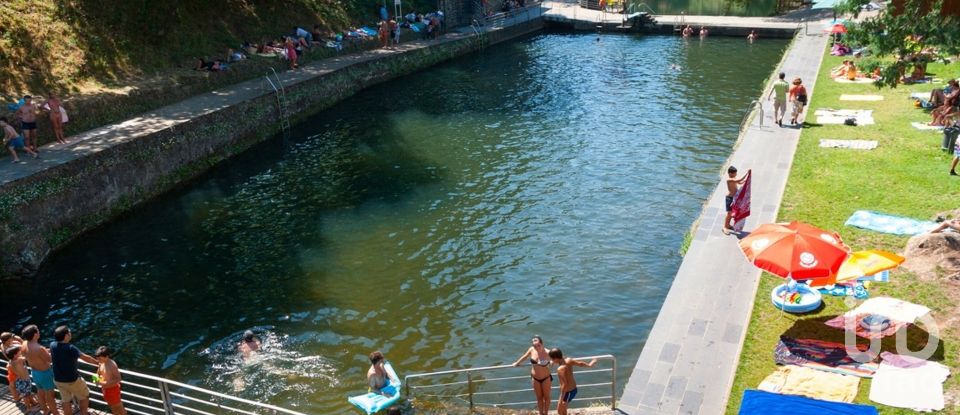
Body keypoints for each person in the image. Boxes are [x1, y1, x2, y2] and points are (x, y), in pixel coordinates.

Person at [50, 326, 98, 415]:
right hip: (72, 380)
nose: (70, 334)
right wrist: (99, 363)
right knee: (84, 396)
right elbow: (86, 358)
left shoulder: (52, 345)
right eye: (69, 332)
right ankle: (84, 413)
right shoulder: (71, 348)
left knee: (66, 400)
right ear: (66, 336)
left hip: (58, 379)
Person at [22, 325, 59, 415]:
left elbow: (37, 355)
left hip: (35, 372)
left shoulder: (24, 344)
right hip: (45, 373)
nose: (39, 332)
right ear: (35, 334)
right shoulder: (39, 348)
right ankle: (55, 413)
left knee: (40, 391)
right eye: (38, 331)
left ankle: (45, 410)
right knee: (50, 396)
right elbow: (50, 360)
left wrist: (47, 351)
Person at [512, 336, 552, 415]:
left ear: (542, 343)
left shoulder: (548, 352)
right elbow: (525, 356)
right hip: (535, 378)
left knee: (546, 398)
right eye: (534, 345)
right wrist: (517, 363)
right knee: (539, 398)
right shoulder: (531, 349)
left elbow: (556, 359)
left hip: (546, 378)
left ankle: (546, 413)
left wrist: (550, 363)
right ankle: (541, 413)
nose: (536, 347)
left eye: (538, 345)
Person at [548, 348, 595, 415]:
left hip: (568, 392)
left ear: (555, 358)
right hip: (573, 389)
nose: (551, 360)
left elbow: (564, 385)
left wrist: (561, 399)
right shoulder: (568, 360)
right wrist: (590, 365)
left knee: (560, 411)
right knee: (563, 409)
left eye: (552, 359)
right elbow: (580, 364)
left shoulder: (560, 369)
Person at [4, 345, 39, 411]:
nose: (20, 352)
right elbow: (27, 356)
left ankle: (33, 402)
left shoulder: (10, 362)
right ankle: (29, 408)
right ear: (15, 355)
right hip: (24, 380)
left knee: (27, 393)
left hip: (19, 380)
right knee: (25, 396)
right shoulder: (19, 360)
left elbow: (8, 366)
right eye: (19, 352)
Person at [94, 346, 126, 415]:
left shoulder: (112, 365)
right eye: (97, 358)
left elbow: (118, 379)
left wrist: (104, 383)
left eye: (99, 358)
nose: (98, 360)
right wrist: (95, 379)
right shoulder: (101, 363)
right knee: (112, 407)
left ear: (106, 356)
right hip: (105, 390)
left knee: (119, 408)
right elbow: (98, 373)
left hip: (113, 390)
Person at [723, 166, 748, 234]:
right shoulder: (729, 179)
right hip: (729, 198)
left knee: (732, 213)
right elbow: (738, 180)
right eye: (735, 173)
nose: (736, 175)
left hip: (734, 198)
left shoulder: (733, 178)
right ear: (730, 173)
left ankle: (728, 225)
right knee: (729, 214)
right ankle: (725, 227)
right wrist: (747, 173)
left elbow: (739, 182)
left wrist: (745, 181)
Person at [2, 332, 24, 402]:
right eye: (11, 339)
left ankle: (16, 397)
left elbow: (11, 343)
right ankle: (22, 398)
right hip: (15, 367)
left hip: (11, 366)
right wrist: (20, 339)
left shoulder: (3, 345)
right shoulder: (9, 348)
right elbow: (23, 346)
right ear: (7, 341)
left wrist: (13, 341)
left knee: (12, 383)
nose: (13, 339)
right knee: (14, 384)